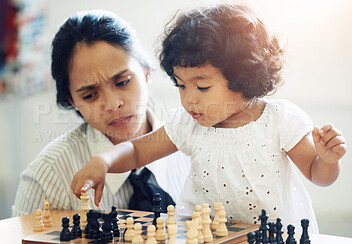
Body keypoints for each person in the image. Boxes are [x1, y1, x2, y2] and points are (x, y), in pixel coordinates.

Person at [71, 4, 347, 233]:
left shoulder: (278, 120)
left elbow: (317, 174)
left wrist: (328, 160)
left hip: (271, 236)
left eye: (202, 87)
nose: (189, 98)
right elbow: (137, 151)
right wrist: (103, 161)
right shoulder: (187, 124)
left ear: (243, 79)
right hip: (206, 236)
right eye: (181, 85)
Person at [11, 10, 191, 216]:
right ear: (72, 101)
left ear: (146, 72)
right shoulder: (49, 174)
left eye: (123, 82)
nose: (113, 104)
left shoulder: (194, 147)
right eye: (89, 95)